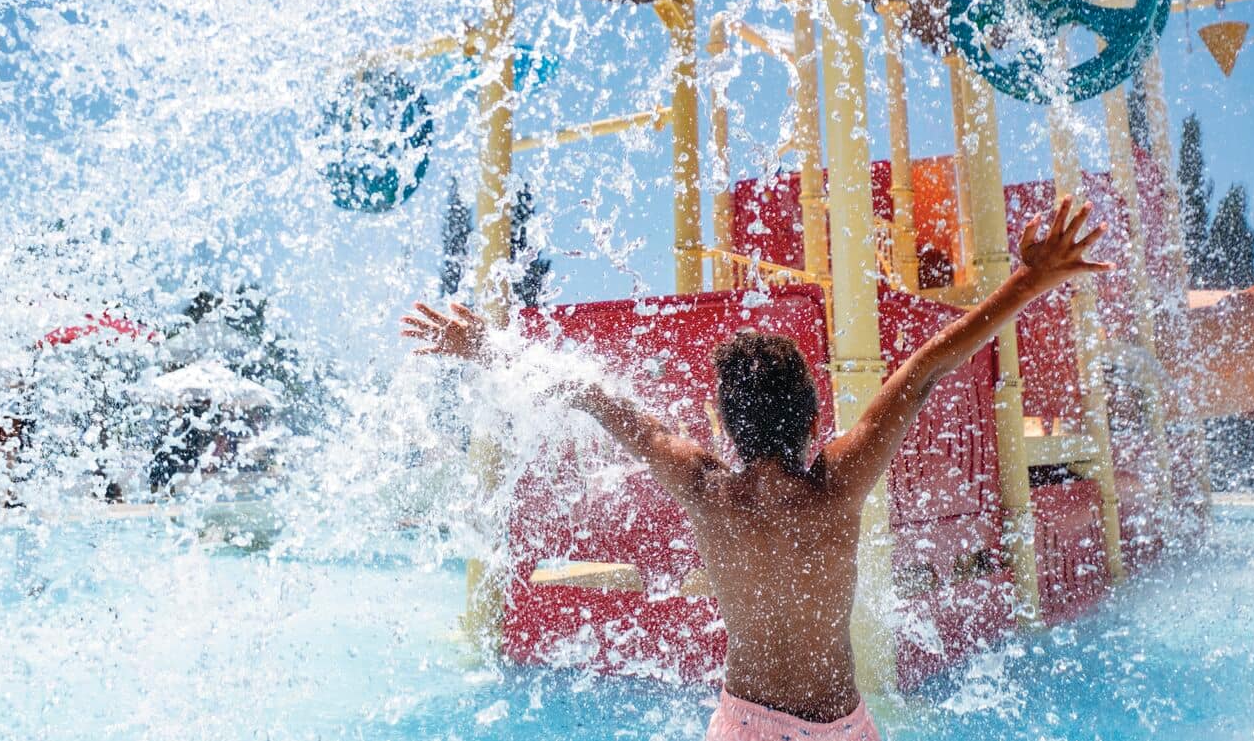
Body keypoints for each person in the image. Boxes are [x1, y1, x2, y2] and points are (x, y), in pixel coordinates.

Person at [402, 195, 1110, 741]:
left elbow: (597, 399)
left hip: (742, 724)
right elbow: (926, 370)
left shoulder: (705, 488)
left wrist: (486, 348)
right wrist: (1031, 278)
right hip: (840, 725)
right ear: (811, 417)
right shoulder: (838, 484)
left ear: (721, 424)